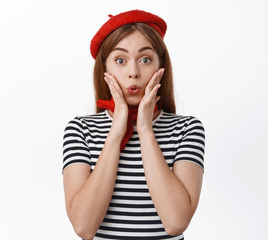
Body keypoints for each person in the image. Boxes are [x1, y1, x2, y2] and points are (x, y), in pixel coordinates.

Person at [62, 9, 205, 240]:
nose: (133, 73)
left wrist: (146, 130)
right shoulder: (80, 130)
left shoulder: (187, 129)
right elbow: (83, 227)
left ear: (161, 66)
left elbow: (176, 221)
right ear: (105, 69)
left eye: (145, 59)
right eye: (120, 60)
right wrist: (116, 131)